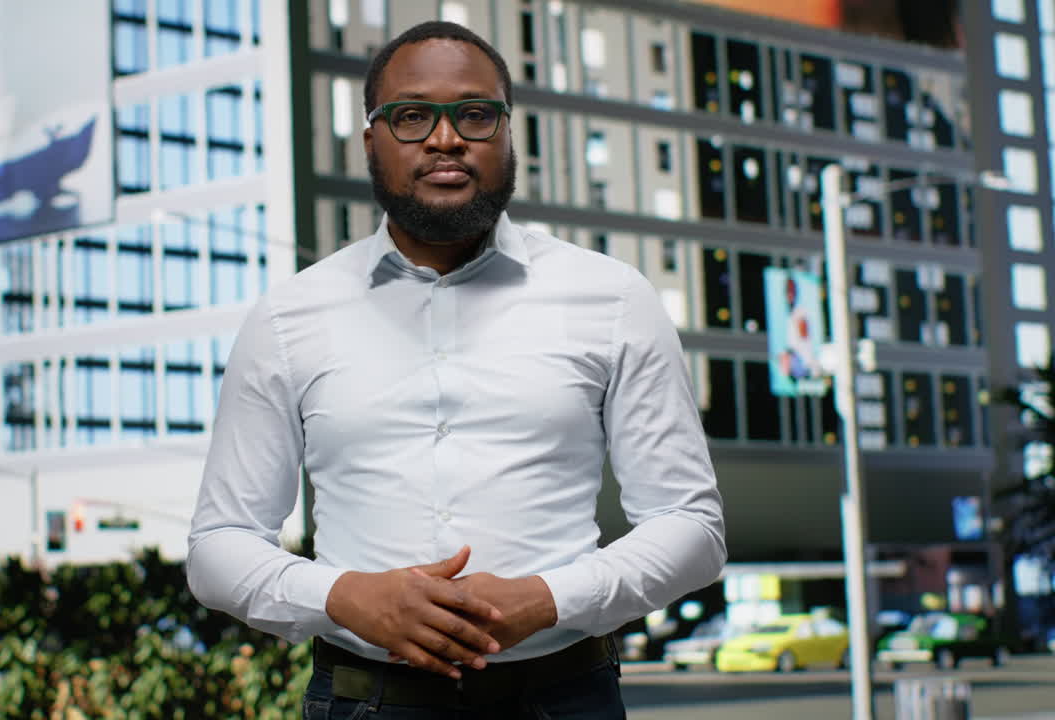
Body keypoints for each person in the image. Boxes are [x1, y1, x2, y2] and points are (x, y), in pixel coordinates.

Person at [187, 20, 725, 718]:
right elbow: (218, 547)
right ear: (371, 141)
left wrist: (548, 598)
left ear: (508, 134)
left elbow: (691, 526)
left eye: (475, 114)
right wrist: (344, 595)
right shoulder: (288, 317)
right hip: (368, 701)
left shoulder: (614, 298)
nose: (445, 139)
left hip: (565, 698)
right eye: (412, 116)